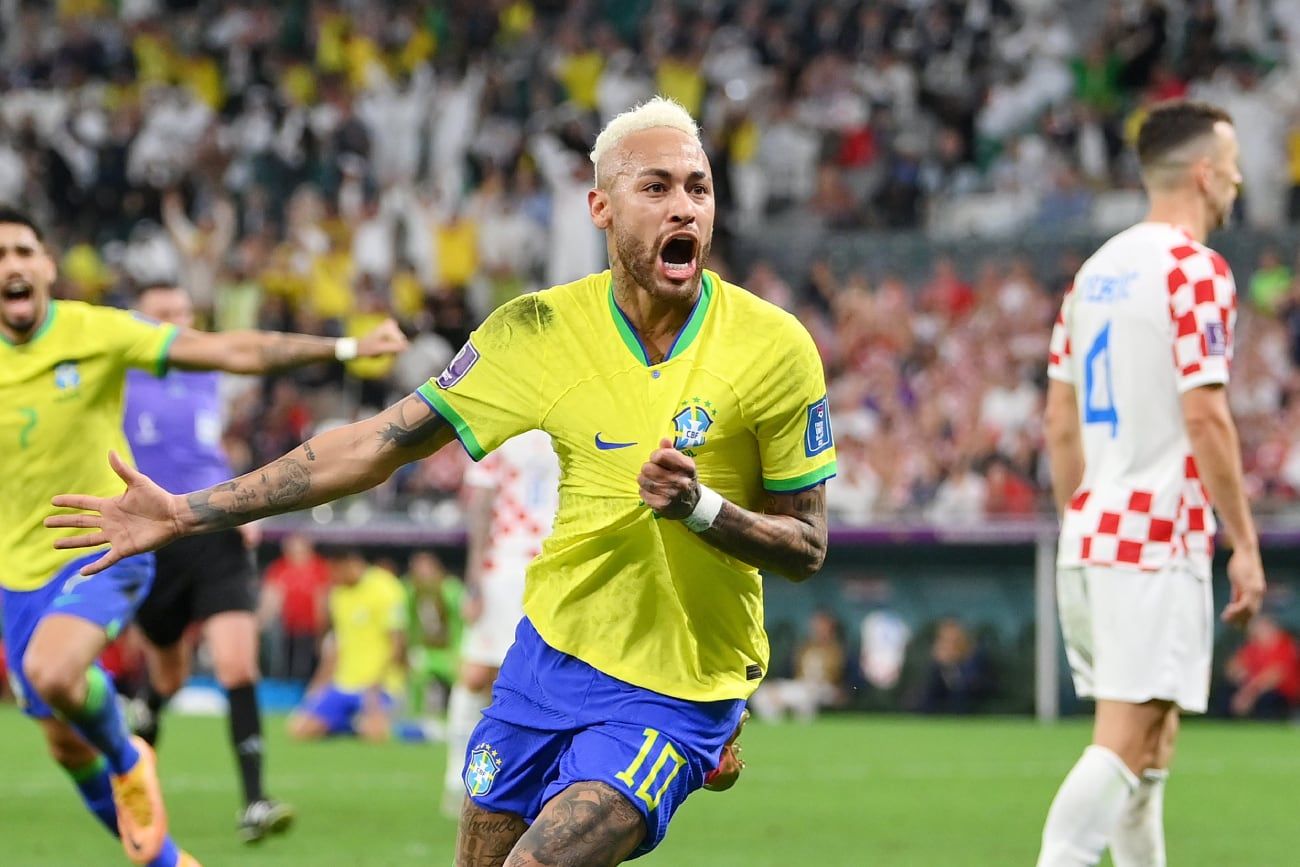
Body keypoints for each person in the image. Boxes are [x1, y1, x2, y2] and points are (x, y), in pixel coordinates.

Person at [48, 95, 837, 865]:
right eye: (656, 186)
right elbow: (373, 445)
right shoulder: (538, 330)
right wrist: (186, 512)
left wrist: (699, 507)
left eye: (698, 187)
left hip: (678, 687)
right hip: (549, 655)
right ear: (600, 207)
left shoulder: (773, 347)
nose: (685, 207)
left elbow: (805, 546)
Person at [0, 206, 404, 867]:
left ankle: (135, 755)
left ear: (46, 265)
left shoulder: (97, 331)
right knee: (64, 741)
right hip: (14, 575)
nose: (11, 266)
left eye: (22, 250)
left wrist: (344, 348)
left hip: (110, 544)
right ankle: (170, 860)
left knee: (56, 672)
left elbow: (234, 349)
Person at [1038, 100, 1266, 867]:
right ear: (1205, 173)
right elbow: (1206, 417)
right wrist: (1244, 541)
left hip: (1094, 531)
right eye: (1231, 162)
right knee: (1126, 736)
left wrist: (1083, 516)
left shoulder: (1093, 272)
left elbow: (1059, 422)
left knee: (1153, 740)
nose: (1238, 176)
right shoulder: (1196, 268)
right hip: (1154, 538)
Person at [121, 283, 405, 843]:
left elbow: (247, 373)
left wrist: (240, 501)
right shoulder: (118, 368)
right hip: (151, 537)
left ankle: (255, 799)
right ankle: (134, 776)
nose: (180, 323)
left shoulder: (205, 370)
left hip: (210, 527)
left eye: (184, 311)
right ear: (137, 323)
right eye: (164, 315)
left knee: (237, 664)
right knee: (169, 676)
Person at [442, 428, 560, 818]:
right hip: (506, 563)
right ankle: (458, 776)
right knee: (479, 673)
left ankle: (540, 780)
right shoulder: (505, 422)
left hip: (560, 562)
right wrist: (474, 578)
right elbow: (482, 499)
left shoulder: (577, 408)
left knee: (548, 678)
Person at [286, 550, 408, 742]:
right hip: (344, 684)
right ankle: (353, 723)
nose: (333, 578)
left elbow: (397, 644)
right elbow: (337, 646)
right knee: (299, 729)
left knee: (375, 734)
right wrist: (317, 685)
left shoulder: (385, 587)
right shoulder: (338, 595)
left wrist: (376, 683)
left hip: (380, 685)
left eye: (336, 572)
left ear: (350, 563)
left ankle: (417, 729)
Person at [259, 533, 331, 680]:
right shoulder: (279, 568)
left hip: (312, 627)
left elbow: (323, 601)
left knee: (308, 664)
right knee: (286, 663)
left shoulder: (320, 568)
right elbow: (272, 598)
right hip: (288, 627)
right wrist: (259, 623)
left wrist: (322, 629)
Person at [405, 549, 464, 717]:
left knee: (460, 676)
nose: (423, 575)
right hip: (427, 651)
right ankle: (417, 717)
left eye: (426, 569)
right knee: (417, 667)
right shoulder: (411, 592)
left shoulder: (451, 589)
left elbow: (462, 620)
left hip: (452, 650)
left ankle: (456, 717)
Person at [1222, 613, 1300, 720]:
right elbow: (1233, 666)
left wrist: (1247, 695)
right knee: (1225, 693)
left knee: (1268, 700)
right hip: (1254, 690)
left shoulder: (1284, 645)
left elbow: (1273, 678)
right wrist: (1237, 673)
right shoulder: (1254, 646)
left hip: (1282, 695)